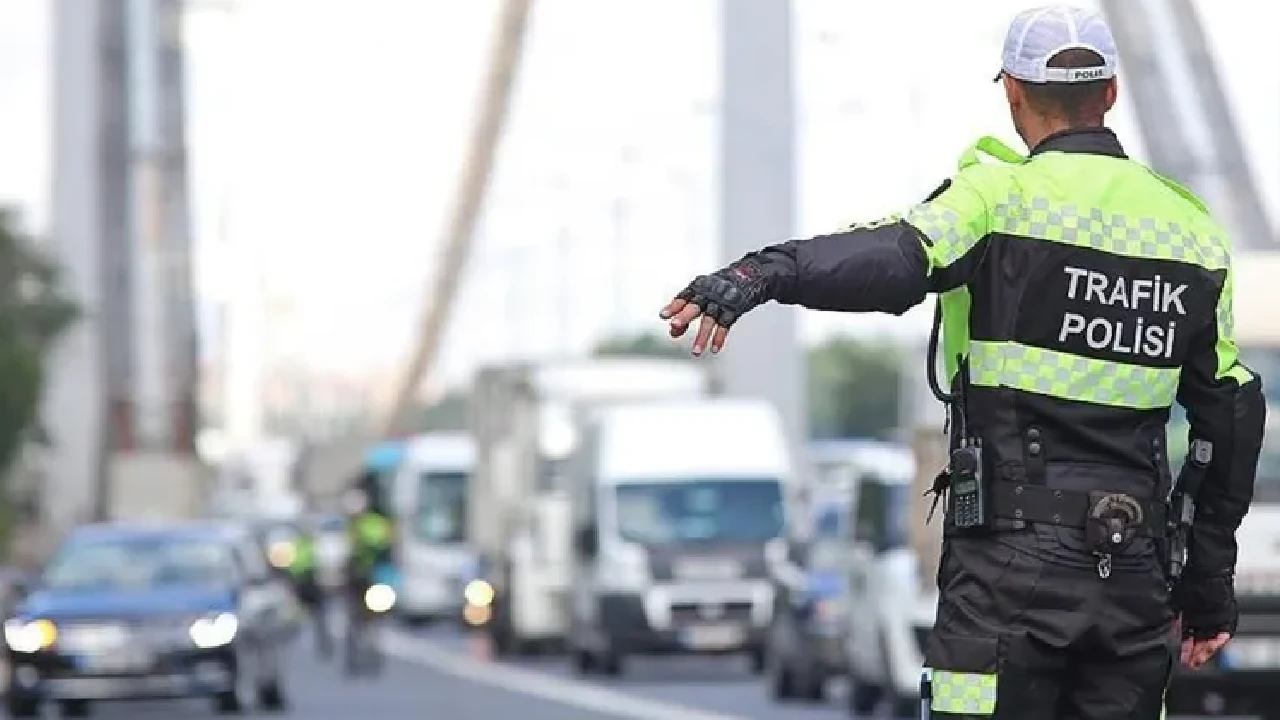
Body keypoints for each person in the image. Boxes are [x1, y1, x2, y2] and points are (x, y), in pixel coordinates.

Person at [659, 6, 1266, 720]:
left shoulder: (996, 199)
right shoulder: (1190, 232)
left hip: (1009, 576)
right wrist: (1207, 586)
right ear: (1110, 93)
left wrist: (761, 274)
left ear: (1012, 91)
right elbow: (1230, 414)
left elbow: (890, 259)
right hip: (1132, 572)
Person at [287, 520, 332, 658]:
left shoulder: (314, 546)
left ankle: (322, 640)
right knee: (305, 613)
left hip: (312, 581)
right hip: (303, 581)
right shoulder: (298, 545)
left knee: (318, 614)